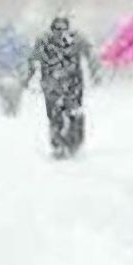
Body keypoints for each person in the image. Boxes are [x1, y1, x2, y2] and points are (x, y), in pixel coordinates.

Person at [25, 15, 102, 158]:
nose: (59, 32)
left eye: (62, 29)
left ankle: (70, 143)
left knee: (70, 113)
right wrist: (28, 77)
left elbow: (90, 55)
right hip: (57, 84)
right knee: (57, 115)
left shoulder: (73, 39)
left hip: (68, 83)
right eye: (57, 29)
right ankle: (61, 144)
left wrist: (95, 72)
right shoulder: (46, 40)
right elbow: (33, 60)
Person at [0, 23, 30, 116]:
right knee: (16, 92)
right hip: (16, 71)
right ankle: (14, 108)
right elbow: (25, 55)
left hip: (2, 71)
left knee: (4, 91)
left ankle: (7, 107)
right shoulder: (19, 40)